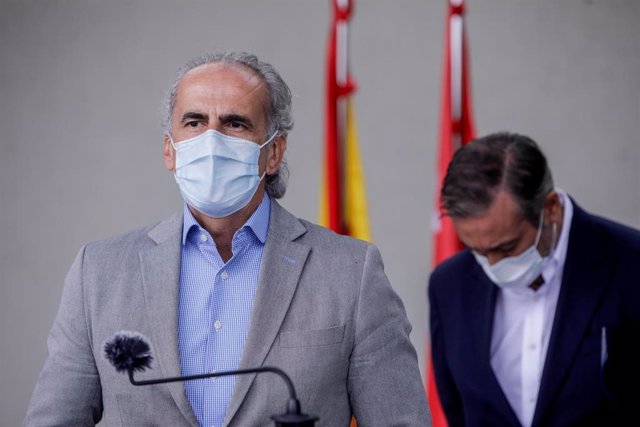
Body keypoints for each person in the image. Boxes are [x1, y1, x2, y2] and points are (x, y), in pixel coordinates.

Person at [25, 52, 430, 426]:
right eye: (195, 122)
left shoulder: (351, 273)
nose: (212, 140)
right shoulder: (98, 273)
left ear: (273, 153)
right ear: (170, 150)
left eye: (235, 123)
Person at [429, 132, 640, 427]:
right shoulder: (449, 284)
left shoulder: (630, 264)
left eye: (507, 247)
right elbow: (457, 409)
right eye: (477, 250)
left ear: (550, 208)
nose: (493, 265)